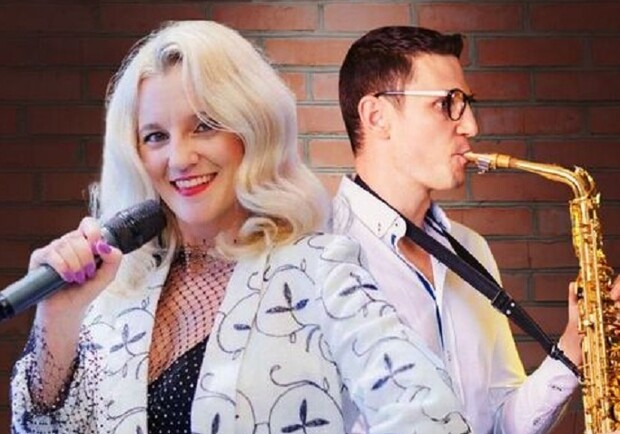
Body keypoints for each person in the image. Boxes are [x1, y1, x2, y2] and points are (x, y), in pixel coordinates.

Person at [10, 21, 475, 434]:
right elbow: (41, 429)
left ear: (252, 129)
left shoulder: (318, 271)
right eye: (156, 136)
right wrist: (58, 320)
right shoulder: (115, 291)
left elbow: (434, 418)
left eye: (204, 126)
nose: (179, 158)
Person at [332, 25, 620, 434]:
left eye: (466, 103)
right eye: (446, 103)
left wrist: (575, 346)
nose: (471, 125)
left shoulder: (473, 249)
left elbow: (501, 421)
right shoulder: (317, 256)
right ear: (377, 117)